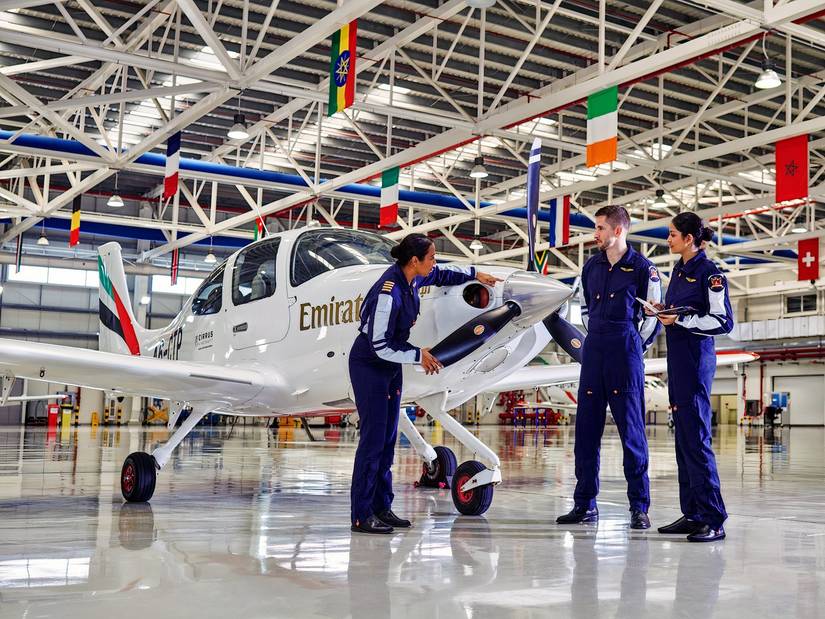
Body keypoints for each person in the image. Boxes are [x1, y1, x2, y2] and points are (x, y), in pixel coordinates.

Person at [349, 233, 501, 534]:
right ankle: (361, 515)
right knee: (373, 443)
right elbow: (379, 344)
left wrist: (474, 274)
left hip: (391, 366)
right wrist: (419, 355)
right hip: (370, 364)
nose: (434, 262)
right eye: (430, 257)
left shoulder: (413, 278)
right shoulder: (388, 293)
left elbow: (443, 274)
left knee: (389, 441)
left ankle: (382, 507)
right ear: (413, 261)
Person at [556, 205, 662, 529]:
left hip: (625, 353)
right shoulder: (591, 268)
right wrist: (597, 336)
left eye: (600, 228)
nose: (595, 234)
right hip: (594, 351)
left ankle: (639, 507)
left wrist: (634, 346)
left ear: (618, 231)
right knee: (586, 434)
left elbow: (653, 318)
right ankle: (584, 505)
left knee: (632, 436)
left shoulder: (644, 269)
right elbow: (585, 310)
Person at [650, 212, 733, 542]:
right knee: (684, 443)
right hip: (678, 363)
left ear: (688, 239)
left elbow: (722, 321)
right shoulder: (680, 271)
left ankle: (714, 518)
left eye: (672, 234)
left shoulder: (710, 274)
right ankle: (694, 513)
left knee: (697, 441)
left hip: (696, 364)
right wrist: (661, 309)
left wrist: (679, 322)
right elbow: (682, 312)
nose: (668, 239)